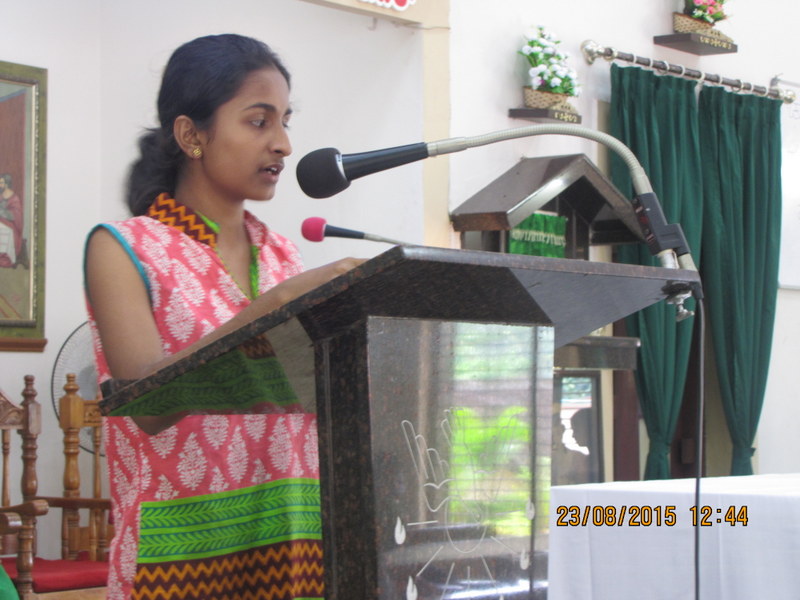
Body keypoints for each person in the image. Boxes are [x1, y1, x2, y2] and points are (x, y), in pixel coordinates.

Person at [84, 34, 362, 600]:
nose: (283, 144)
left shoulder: (282, 255)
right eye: (259, 122)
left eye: (285, 121)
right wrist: (270, 311)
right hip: (183, 557)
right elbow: (148, 406)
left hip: (293, 542)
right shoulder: (123, 248)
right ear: (191, 135)